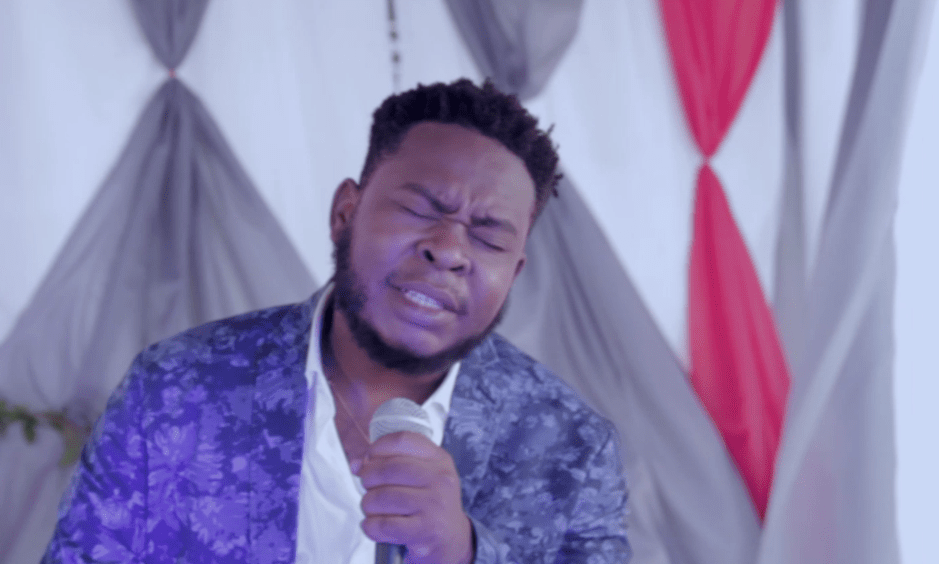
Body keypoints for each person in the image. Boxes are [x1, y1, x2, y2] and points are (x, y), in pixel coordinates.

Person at [41, 79, 629, 563]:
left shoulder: (573, 449)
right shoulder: (175, 389)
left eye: (489, 237)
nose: (449, 250)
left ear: (514, 273)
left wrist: (462, 554)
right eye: (421, 208)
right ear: (345, 212)